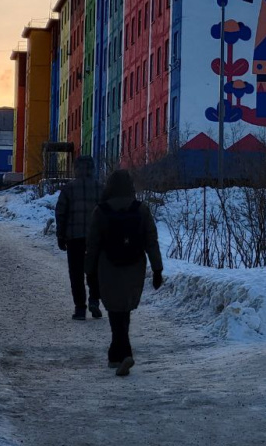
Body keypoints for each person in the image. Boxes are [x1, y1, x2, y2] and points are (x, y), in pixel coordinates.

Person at [85, 169, 163, 377]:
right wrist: (157, 269)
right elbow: (151, 241)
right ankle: (117, 353)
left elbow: (92, 245)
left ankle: (121, 352)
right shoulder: (141, 209)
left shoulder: (101, 210)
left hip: (108, 266)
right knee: (124, 309)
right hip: (134, 265)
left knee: (114, 309)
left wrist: (89, 271)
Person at [55, 155, 102, 320]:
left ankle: (80, 308)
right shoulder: (100, 188)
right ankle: (94, 300)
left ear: (76, 169)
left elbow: (61, 213)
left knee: (76, 274)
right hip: (96, 239)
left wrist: (61, 235)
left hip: (74, 238)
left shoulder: (68, 189)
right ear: (92, 169)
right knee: (95, 271)